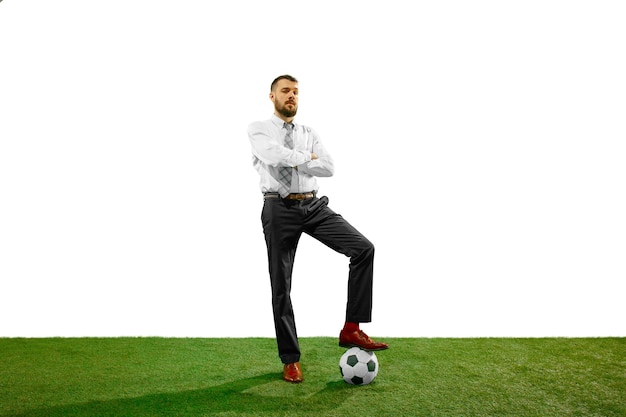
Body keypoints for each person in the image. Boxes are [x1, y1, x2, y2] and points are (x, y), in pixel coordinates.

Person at [248, 74, 388, 383]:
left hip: (313, 206)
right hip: (278, 209)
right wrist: (305, 158)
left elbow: (329, 167)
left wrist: (295, 160)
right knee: (281, 286)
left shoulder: (309, 132)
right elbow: (272, 155)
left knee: (363, 249)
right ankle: (290, 359)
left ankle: (351, 328)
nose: (291, 96)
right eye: (285, 91)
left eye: (296, 91)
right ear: (272, 96)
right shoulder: (259, 129)